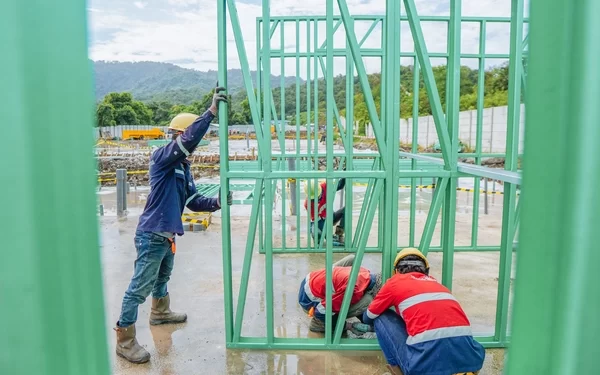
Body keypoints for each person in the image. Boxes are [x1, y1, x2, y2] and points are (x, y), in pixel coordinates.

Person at [113, 87, 233, 364]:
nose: (193, 150)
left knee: (162, 278)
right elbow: (188, 141)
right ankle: (125, 339)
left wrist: (218, 202)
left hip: (166, 236)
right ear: (179, 134)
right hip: (152, 234)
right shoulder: (163, 158)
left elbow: (192, 201)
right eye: (188, 140)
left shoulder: (183, 168)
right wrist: (211, 112)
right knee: (139, 287)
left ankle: (160, 313)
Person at [362, 248, 485, 375]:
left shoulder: (394, 282)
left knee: (381, 316)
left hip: (424, 368)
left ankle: (397, 370)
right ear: (426, 271)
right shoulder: (438, 285)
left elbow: (369, 316)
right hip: (471, 362)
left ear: (396, 271)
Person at [298, 254, 383, 333]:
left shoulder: (364, 272)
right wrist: (348, 326)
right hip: (307, 299)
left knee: (352, 259)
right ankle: (319, 323)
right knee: (368, 301)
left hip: (310, 279)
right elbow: (320, 311)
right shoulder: (354, 289)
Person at [303, 178, 346, 245]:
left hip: (331, 216)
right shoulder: (308, 204)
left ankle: (339, 234)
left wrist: (345, 176)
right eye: (313, 198)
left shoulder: (325, 186)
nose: (316, 199)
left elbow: (339, 185)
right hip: (320, 222)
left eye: (318, 196)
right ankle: (319, 240)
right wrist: (328, 237)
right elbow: (317, 221)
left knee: (346, 210)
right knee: (316, 232)